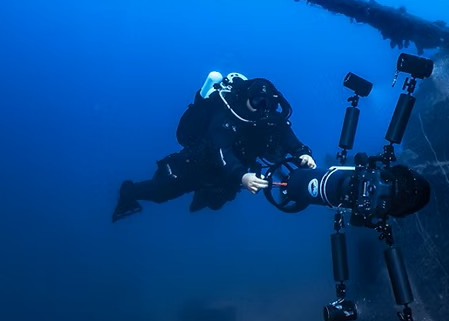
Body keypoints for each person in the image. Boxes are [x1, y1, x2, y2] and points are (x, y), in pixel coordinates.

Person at [112, 71, 317, 221]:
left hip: (223, 177)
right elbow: (222, 150)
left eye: (267, 104)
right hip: (197, 165)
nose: (261, 109)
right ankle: (128, 191)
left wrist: (302, 153)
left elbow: (288, 137)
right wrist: (242, 176)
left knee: (215, 203)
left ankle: (206, 193)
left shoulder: (268, 119)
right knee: (161, 193)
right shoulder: (226, 115)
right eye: (257, 101)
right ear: (246, 98)